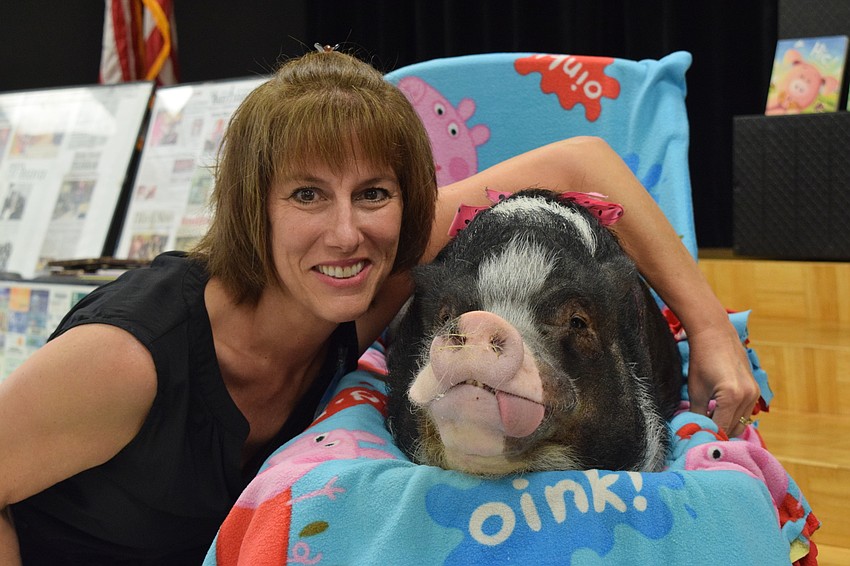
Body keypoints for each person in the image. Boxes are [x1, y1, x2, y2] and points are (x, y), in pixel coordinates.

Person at [0, 48, 759, 564]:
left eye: (374, 192)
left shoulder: (374, 267)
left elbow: (583, 163)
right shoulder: (128, 356)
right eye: (306, 194)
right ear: (248, 208)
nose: (345, 230)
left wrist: (710, 331)